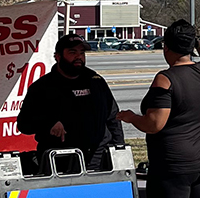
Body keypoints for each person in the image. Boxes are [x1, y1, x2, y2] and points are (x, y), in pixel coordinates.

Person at [119, 20, 200, 198]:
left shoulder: (165, 79)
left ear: (166, 47)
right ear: (191, 46)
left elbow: (154, 124)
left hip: (172, 166)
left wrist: (131, 118)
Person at [17, 33, 123, 171]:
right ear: (58, 57)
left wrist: (119, 148)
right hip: (60, 161)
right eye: (72, 52)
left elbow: (113, 116)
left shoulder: (96, 81)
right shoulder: (42, 87)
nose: (78, 57)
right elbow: (24, 124)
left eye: (82, 52)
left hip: (98, 157)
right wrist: (49, 123)